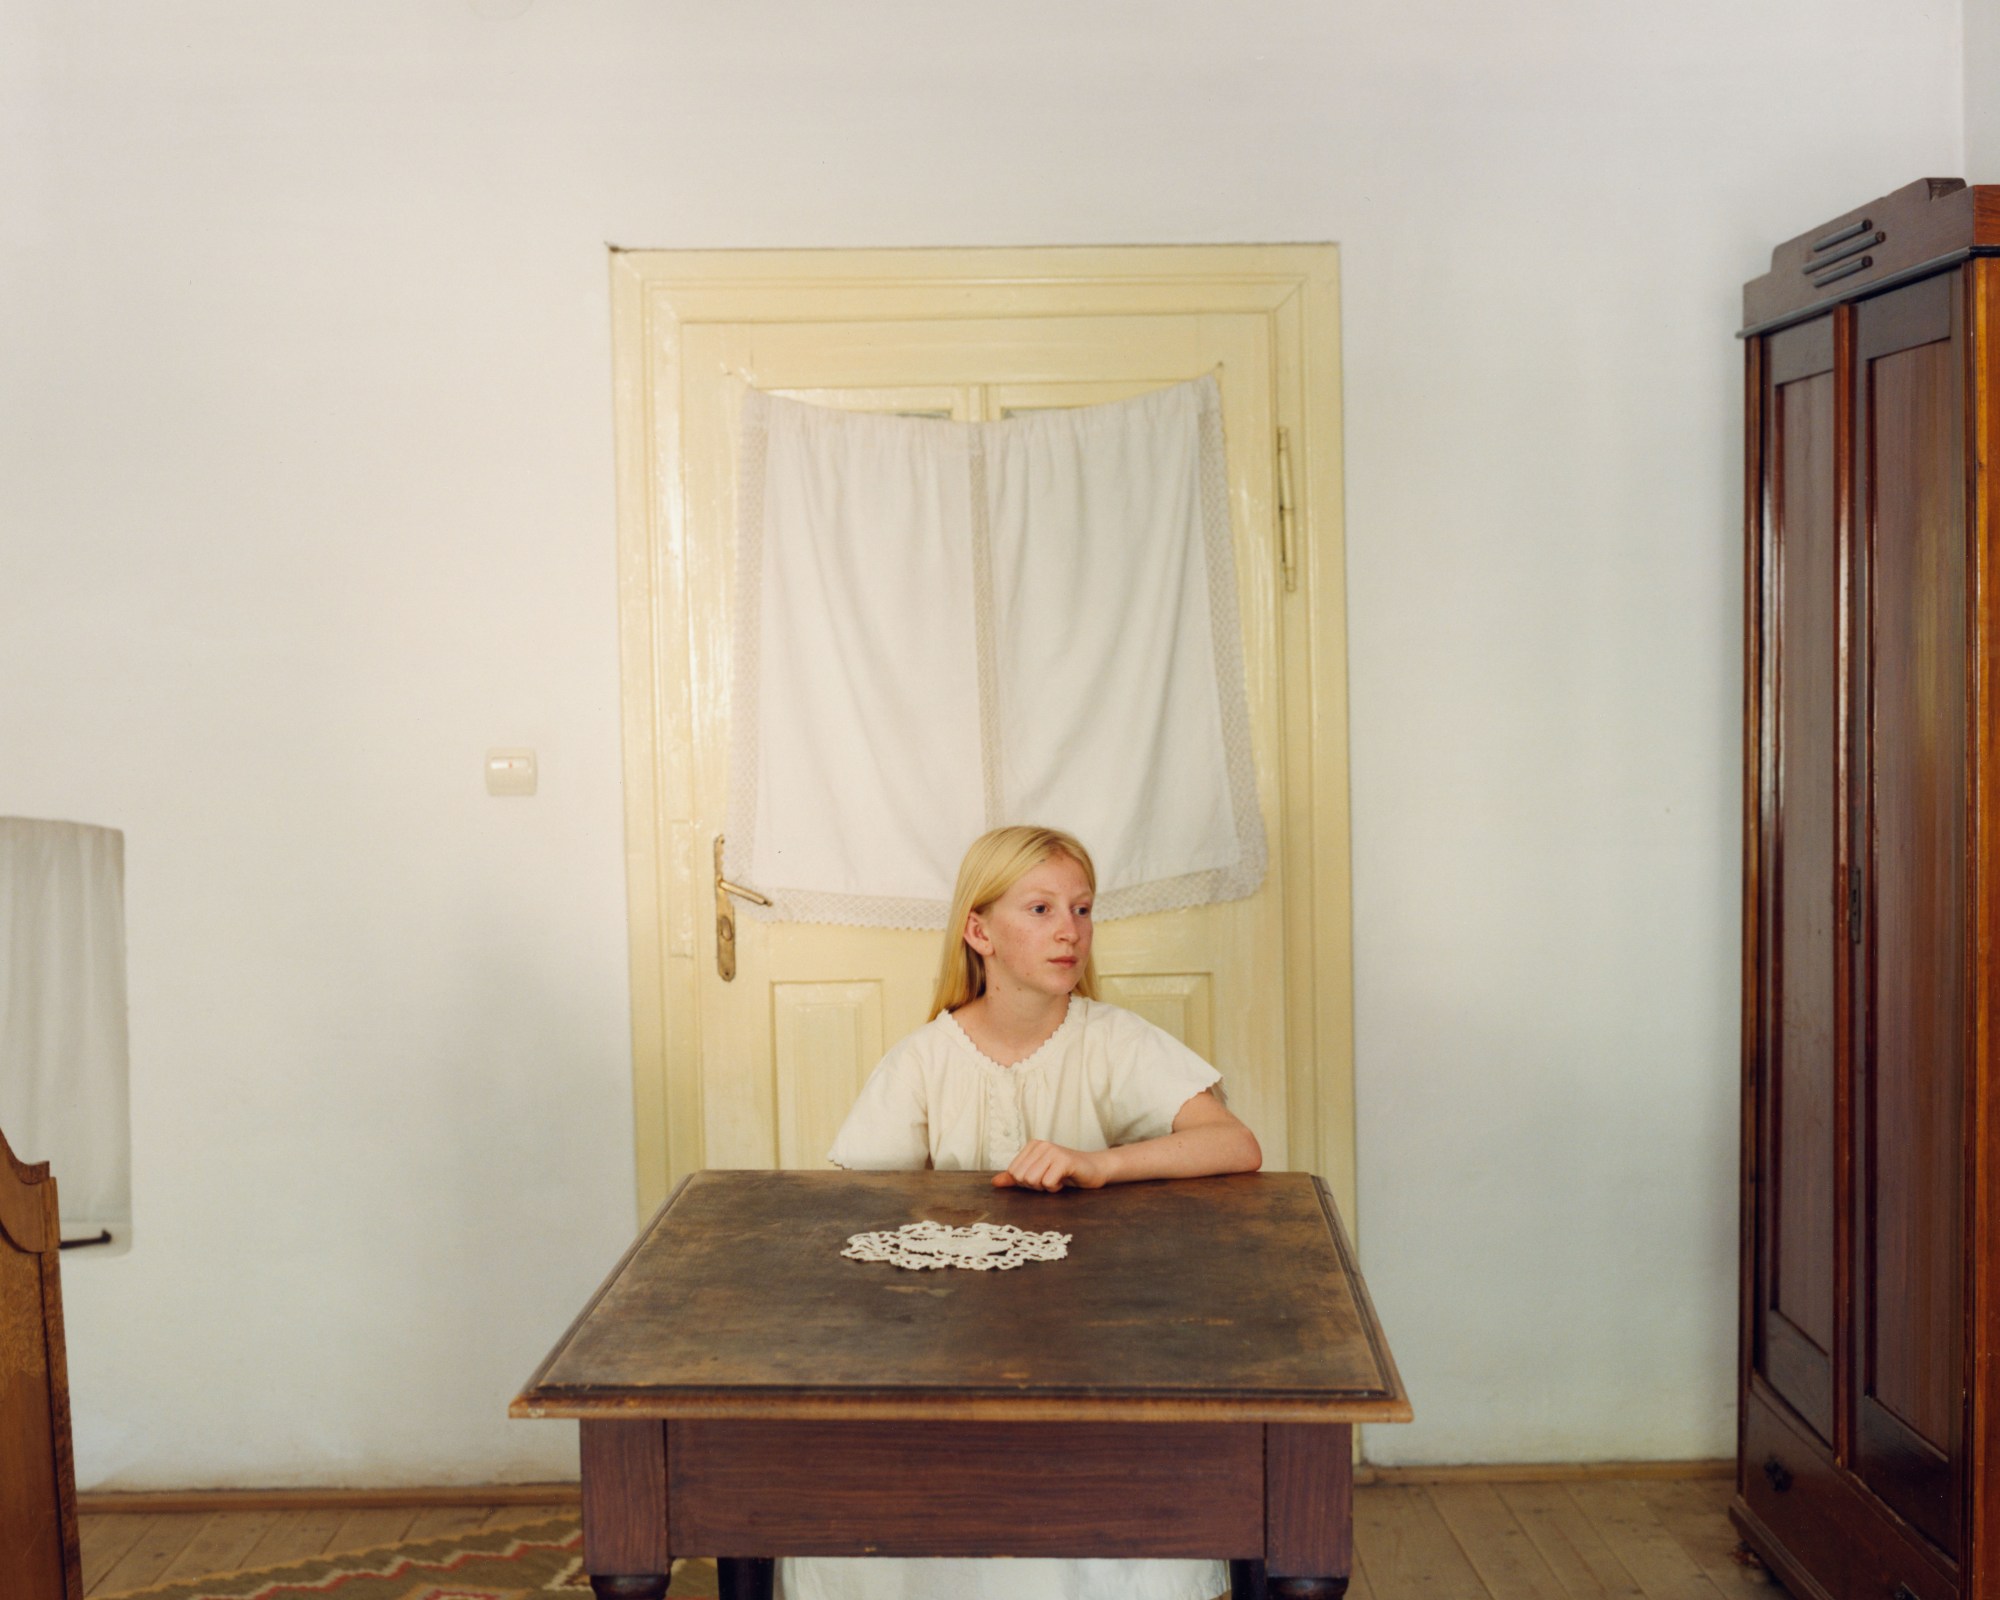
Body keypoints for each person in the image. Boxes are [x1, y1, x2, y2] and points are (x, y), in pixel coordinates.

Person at [779, 824, 1261, 1600]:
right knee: (875, 1495)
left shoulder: (1113, 1040)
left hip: (1094, 1345)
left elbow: (1233, 1145)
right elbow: (850, 1207)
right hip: (951, 1352)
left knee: (1118, 1491)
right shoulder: (924, 1060)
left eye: (1081, 908)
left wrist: (1099, 1163)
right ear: (979, 932)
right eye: (1039, 909)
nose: (1069, 930)